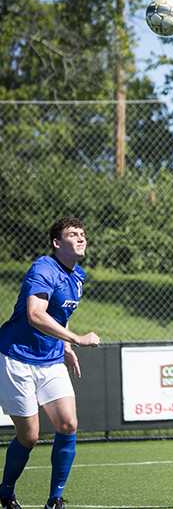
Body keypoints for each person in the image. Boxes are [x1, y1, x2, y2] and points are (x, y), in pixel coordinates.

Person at [0, 217, 101, 509]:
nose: (81, 238)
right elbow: (35, 314)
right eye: (73, 234)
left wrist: (66, 345)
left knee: (68, 424)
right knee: (29, 436)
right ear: (58, 243)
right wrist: (77, 338)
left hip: (52, 358)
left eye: (83, 233)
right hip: (17, 358)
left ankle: (55, 500)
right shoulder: (43, 269)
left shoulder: (78, 275)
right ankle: (5, 491)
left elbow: (59, 316)